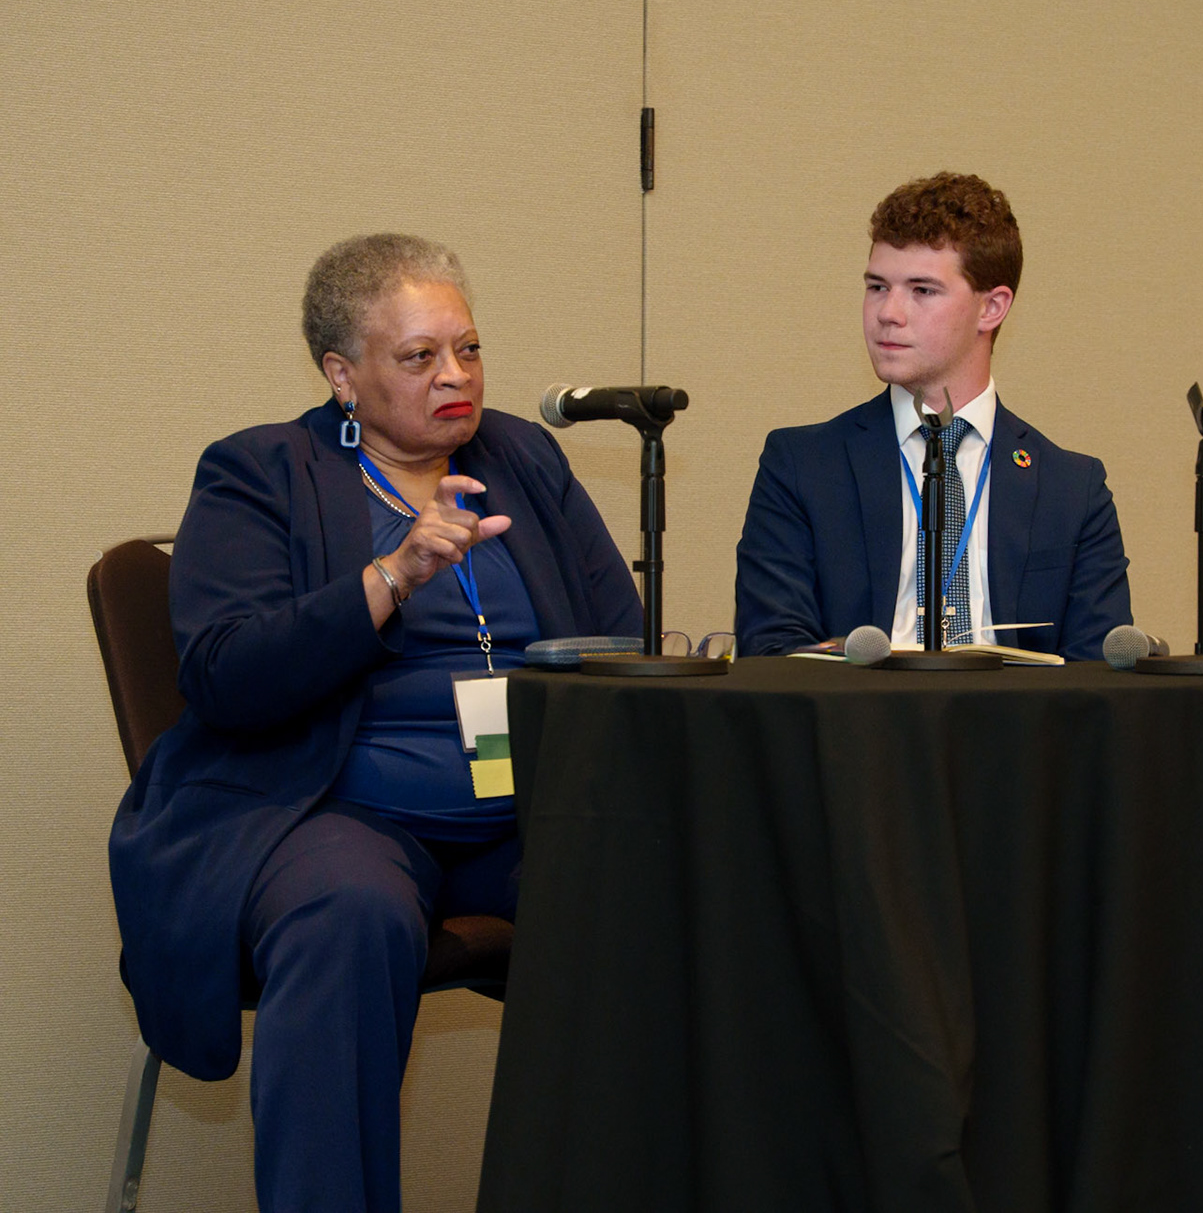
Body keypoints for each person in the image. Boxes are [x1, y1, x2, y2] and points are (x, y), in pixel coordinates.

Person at [107, 234, 643, 1212]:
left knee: (669, 885)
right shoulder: (262, 471)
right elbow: (225, 675)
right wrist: (394, 574)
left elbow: (619, 635)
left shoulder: (523, 456)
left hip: (524, 808)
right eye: (419, 356)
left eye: (468, 349)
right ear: (342, 375)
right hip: (332, 807)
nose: (456, 375)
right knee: (346, 914)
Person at [734, 171, 1131, 659]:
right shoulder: (802, 465)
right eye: (877, 287)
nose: (888, 313)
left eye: (922, 290)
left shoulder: (1071, 489)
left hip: (1018, 707)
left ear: (992, 308)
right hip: (857, 705)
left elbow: (1098, 672)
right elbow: (773, 649)